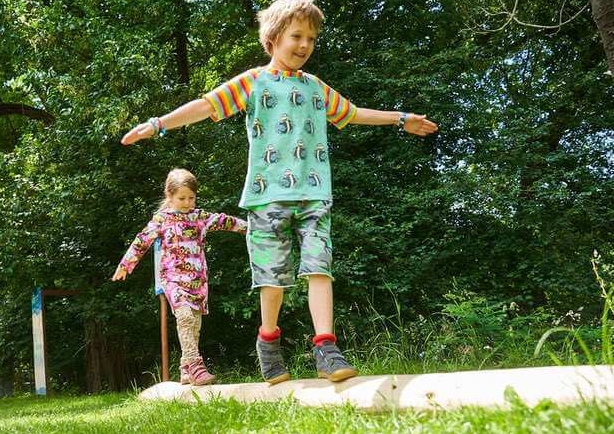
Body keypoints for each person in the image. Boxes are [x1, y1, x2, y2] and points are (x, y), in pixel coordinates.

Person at [120, 0, 438, 385]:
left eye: (311, 38)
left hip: (314, 192)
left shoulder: (315, 87)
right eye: (297, 36)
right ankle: (268, 341)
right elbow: (206, 106)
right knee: (274, 279)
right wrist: (157, 124)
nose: (305, 45)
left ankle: (326, 346)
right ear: (272, 39)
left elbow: (351, 112)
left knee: (319, 267)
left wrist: (400, 119)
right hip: (266, 196)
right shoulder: (254, 82)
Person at [112, 168, 247, 385]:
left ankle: (185, 370)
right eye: (181, 198)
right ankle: (195, 365)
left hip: (197, 280)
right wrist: (126, 265)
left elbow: (225, 221)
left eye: (191, 197)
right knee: (184, 316)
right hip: (173, 278)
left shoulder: (199, 217)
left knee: (194, 325)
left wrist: (249, 228)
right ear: (170, 196)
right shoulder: (162, 219)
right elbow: (142, 239)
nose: (186, 202)